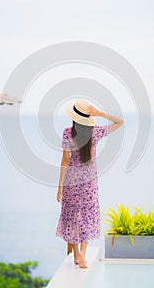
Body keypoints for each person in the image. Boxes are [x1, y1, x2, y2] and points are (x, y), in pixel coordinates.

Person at [56, 99, 124, 268]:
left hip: (71, 182)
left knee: (71, 216)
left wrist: (60, 187)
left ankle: (77, 253)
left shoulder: (67, 133)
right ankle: (83, 254)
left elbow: (65, 160)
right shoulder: (96, 132)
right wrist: (100, 113)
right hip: (89, 183)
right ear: (88, 118)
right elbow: (120, 122)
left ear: (73, 118)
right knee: (87, 215)